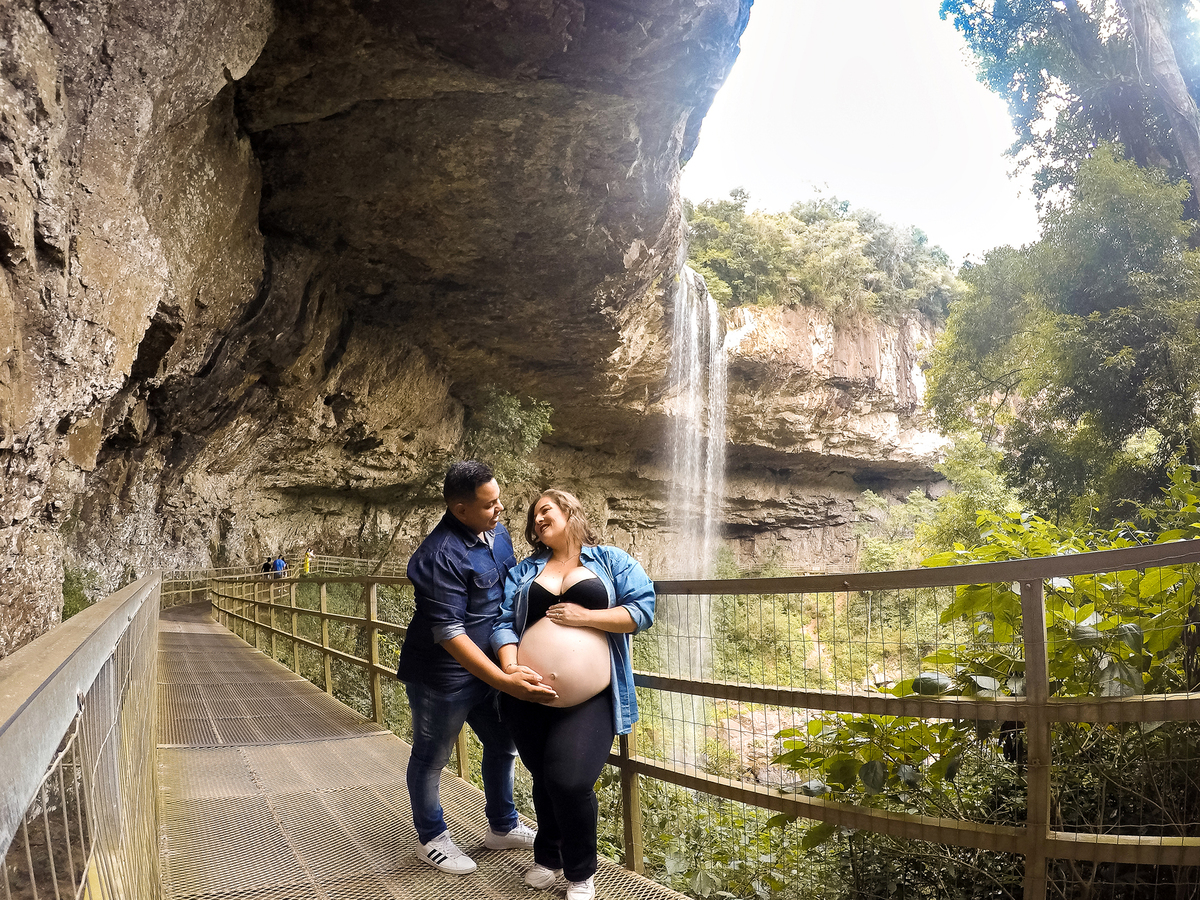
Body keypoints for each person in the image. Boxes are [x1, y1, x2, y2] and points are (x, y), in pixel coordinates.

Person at [492, 489, 655, 900]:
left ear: (569, 511)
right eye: (534, 516)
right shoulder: (525, 570)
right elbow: (503, 623)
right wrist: (510, 667)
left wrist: (587, 616)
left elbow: (642, 610)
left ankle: (581, 873)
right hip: (526, 695)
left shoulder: (612, 560)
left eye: (545, 510)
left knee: (570, 780)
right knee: (544, 777)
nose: (538, 519)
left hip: (591, 698)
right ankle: (548, 857)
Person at [396, 461, 557, 874]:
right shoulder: (438, 556)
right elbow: (450, 633)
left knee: (503, 744)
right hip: (442, 676)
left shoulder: (497, 531)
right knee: (432, 756)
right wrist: (504, 679)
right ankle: (431, 838)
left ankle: (502, 826)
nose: (499, 508)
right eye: (489, 504)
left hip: (491, 666)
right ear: (460, 509)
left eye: (498, 499)